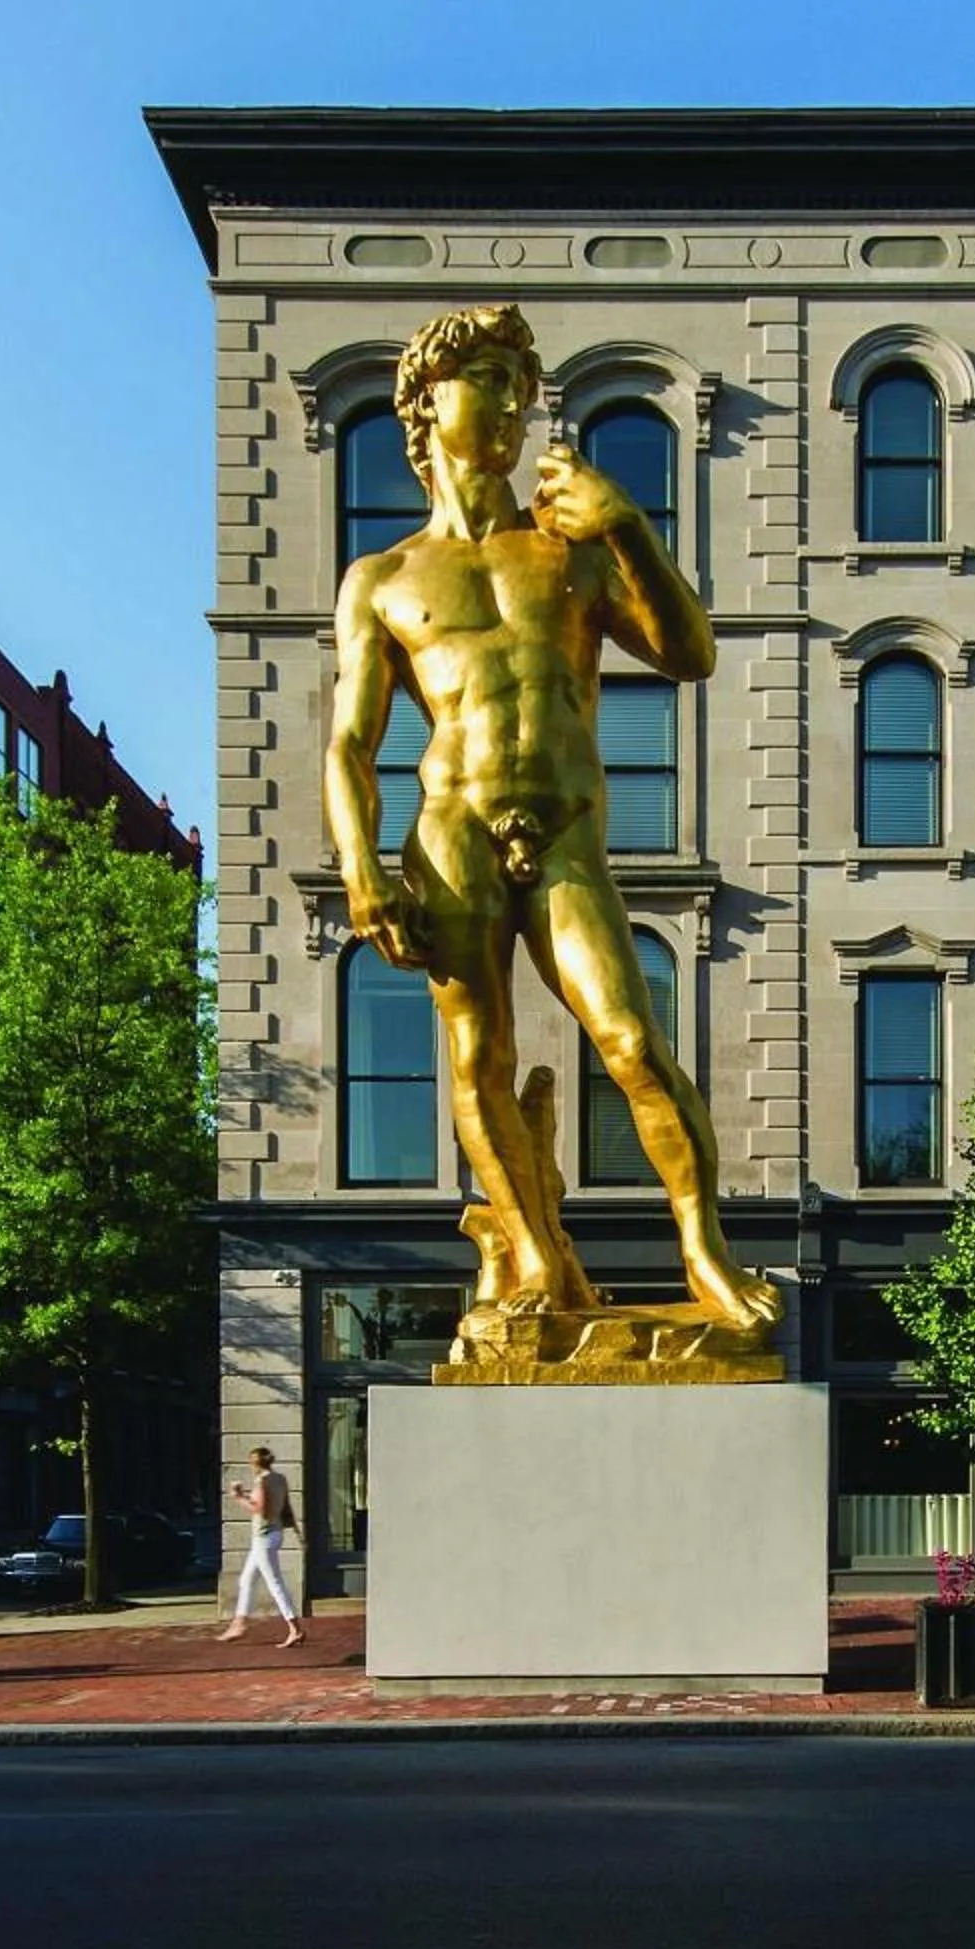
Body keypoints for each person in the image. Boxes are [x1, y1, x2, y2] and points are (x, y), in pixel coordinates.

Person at [324, 302, 779, 1338]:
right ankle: (530, 1250)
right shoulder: (384, 579)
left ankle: (704, 1252)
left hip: (567, 834)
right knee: (478, 1052)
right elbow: (351, 743)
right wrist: (360, 865)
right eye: (486, 376)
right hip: (452, 830)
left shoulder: (566, 549)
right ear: (427, 402)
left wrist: (626, 527)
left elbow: (690, 652)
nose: (512, 401)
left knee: (629, 1038)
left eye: (518, 384)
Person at [218, 1446, 302, 1647]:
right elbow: (286, 1509)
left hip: (263, 1537)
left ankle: (295, 1628)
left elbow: (260, 1511)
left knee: (274, 1583)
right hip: (274, 1534)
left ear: (255, 1463)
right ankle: (239, 1623)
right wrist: (298, 1534)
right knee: (246, 1579)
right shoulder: (280, 1479)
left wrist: (239, 1497)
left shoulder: (262, 1481)